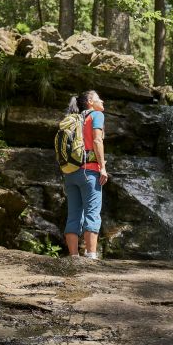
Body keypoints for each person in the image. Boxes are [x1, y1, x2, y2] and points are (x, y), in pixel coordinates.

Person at [63, 90, 109, 259]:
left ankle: (74, 258)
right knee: (92, 213)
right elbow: (97, 140)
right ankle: (91, 256)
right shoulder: (96, 115)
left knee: (73, 215)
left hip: (70, 172)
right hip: (89, 172)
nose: (102, 101)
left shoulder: (74, 119)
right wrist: (102, 167)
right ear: (90, 101)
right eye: (98, 98)